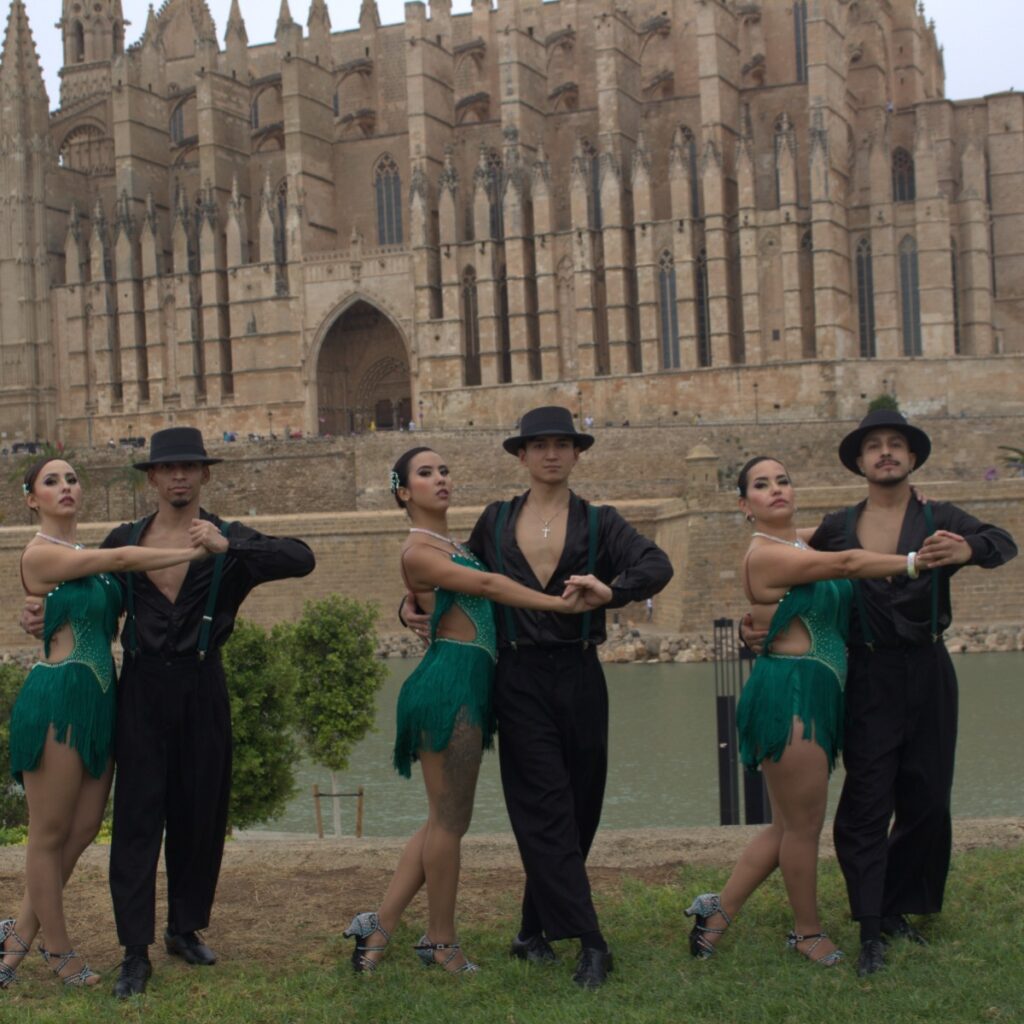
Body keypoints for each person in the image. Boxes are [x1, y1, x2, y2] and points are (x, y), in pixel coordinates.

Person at [20, 427, 316, 998]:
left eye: (190, 466)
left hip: (203, 683)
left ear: (204, 475)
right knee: (136, 819)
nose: (179, 475)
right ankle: (134, 951)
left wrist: (231, 549)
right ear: (153, 478)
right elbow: (79, 595)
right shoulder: (124, 539)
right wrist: (37, 617)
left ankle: (184, 928)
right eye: (169, 468)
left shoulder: (228, 537)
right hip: (140, 687)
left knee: (199, 812)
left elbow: (302, 558)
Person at [404, 406, 673, 988]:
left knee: (579, 809)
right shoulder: (495, 520)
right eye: (540, 445)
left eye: (562, 444)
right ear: (522, 456)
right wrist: (410, 607)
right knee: (543, 807)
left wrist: (613, 591)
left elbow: (657, 564)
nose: (552, 453)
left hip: (581, 675)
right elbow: (455, 577)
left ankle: (531, 932)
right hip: (518, 677)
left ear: (576, 454)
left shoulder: (601, 523)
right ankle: (591, 942)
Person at [344, 447, 612, 975]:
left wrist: (409, 607)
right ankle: (441, 940)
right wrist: (558, 605)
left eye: (445, 470)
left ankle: (380, 926)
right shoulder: (419, 550)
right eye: (426, 474)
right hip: (450, 687)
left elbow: (452, 595)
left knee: (442, 820)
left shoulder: (452, 546)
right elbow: (488, 585)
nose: (441, 478)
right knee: (450, 823)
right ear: (404, 492)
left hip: (466, 684)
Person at [685, 456, 934, 968]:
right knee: (802, 828)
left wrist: (907, 504)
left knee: (786, 825)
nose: (776, 489)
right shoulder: (765, 554)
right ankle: (806, 932)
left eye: (783, 480)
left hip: (815, 692)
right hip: (791, 694)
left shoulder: (799, 542)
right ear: (745, 505)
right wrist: (914, 562)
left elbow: (853, 528)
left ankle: (717, 911)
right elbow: (847, 564)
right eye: (761, 485)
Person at [808, 410, 1016, 976]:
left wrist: (967, 551)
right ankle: (869, 923)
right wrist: (761, 624)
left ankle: (898, 906)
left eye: (896, 444)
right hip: (867, 674)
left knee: (927, 796)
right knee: (866, 800)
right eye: (874, 445)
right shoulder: (837, 526)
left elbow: (1002, 542)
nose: (885, 452)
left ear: (912, 457)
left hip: (928, 669)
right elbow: (799, 572)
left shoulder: (938, 517)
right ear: (859, 462)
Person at [2, 458, 205, 988]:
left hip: (101, 700)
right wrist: (193, 550)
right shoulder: (40, 552)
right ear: (32, 500)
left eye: (71, 479)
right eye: (51, 482)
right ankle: (58, 951)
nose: (65, 487)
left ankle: (16, 937)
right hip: (60, 696)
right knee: (47, 833)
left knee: (87, 826)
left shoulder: (80, 553)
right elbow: (119, 557)